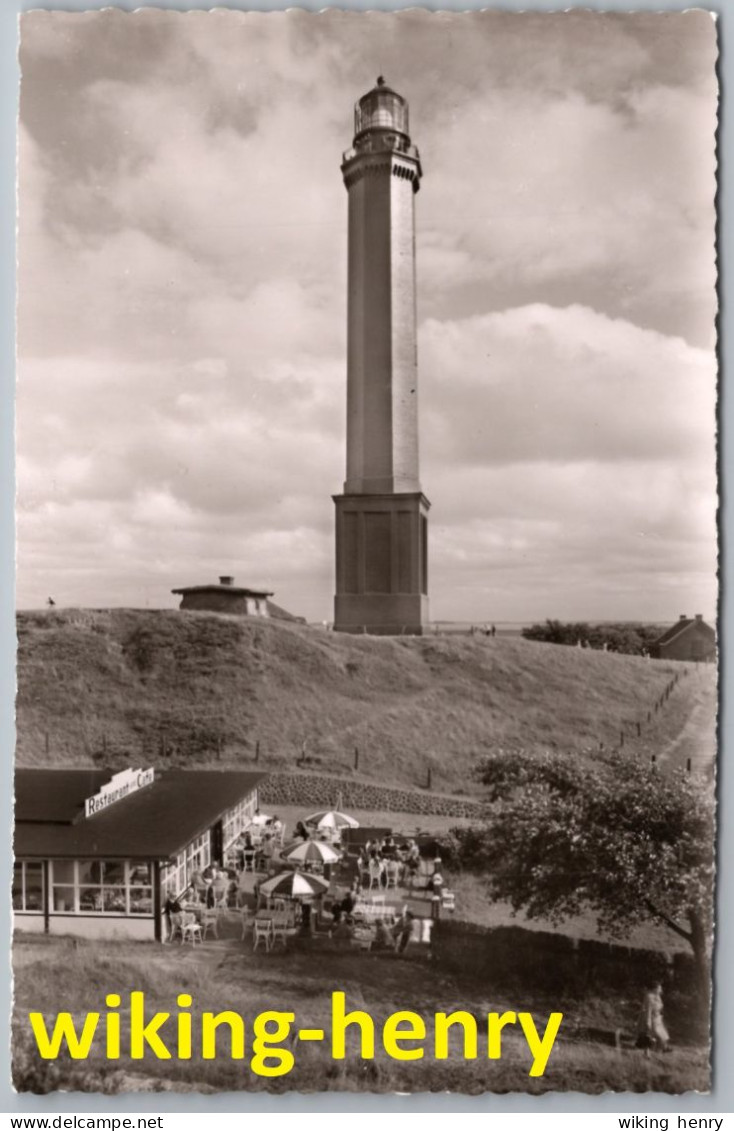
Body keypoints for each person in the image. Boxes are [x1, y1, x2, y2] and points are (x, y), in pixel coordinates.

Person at [636, 982, 670, 1055]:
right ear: (654, 989)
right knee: (650, 1035)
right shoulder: (649, 996)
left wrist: (660, 1015)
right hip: (650, 1018)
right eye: (659, 988)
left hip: (657, 1018)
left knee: (659, 1034)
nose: (660, 989)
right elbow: (648, 1010)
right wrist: (648, 1021)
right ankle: (650, 1052)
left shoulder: (657, 996)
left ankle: (662, 1048)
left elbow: (660, 1006)